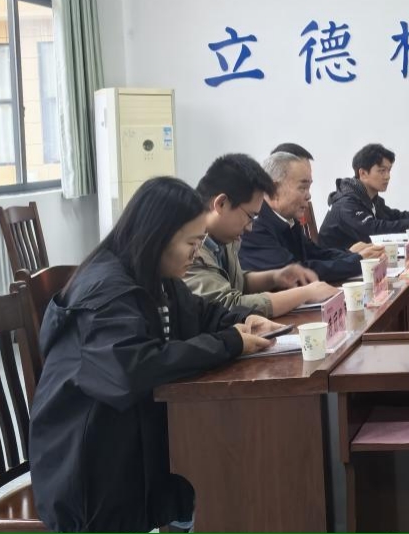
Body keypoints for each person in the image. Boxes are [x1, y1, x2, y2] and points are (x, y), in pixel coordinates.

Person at [29, 177, 281, 532]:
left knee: (219, 466)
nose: (196, 253)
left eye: (201, 242)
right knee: (215, 469)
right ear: (158, 237)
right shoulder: (107, 290)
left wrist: (242, 320)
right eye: (191, 243)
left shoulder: (153, 274)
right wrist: (229, 342)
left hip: (130, 444)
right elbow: (134, 368)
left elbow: (199, 313)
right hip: (90, 466)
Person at [186, 153, 340, 317]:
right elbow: (228, 306)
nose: (250, 227)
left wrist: (275, 277)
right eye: (250, 216)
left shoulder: (222, 238)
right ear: (221, 204)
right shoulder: (189, 249)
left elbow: (235, 281)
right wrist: (305, 293)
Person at [239, 152, 377, 283]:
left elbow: (316, 254)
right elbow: (296, 273)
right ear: (274, 190)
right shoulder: (254, 227)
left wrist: (352, 255)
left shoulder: (288, 221)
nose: (309, 195)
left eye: (309, 188)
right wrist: (357, 261)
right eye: (302, 188)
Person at [319, 143, 409, 251]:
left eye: (389, 170)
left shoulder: (369, 197)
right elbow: (375, 230)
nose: (387, 176)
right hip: (338, 268)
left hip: (358, 262)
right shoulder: (346, 204)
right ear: (363, 173)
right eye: (382, 171)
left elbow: (394, 216)